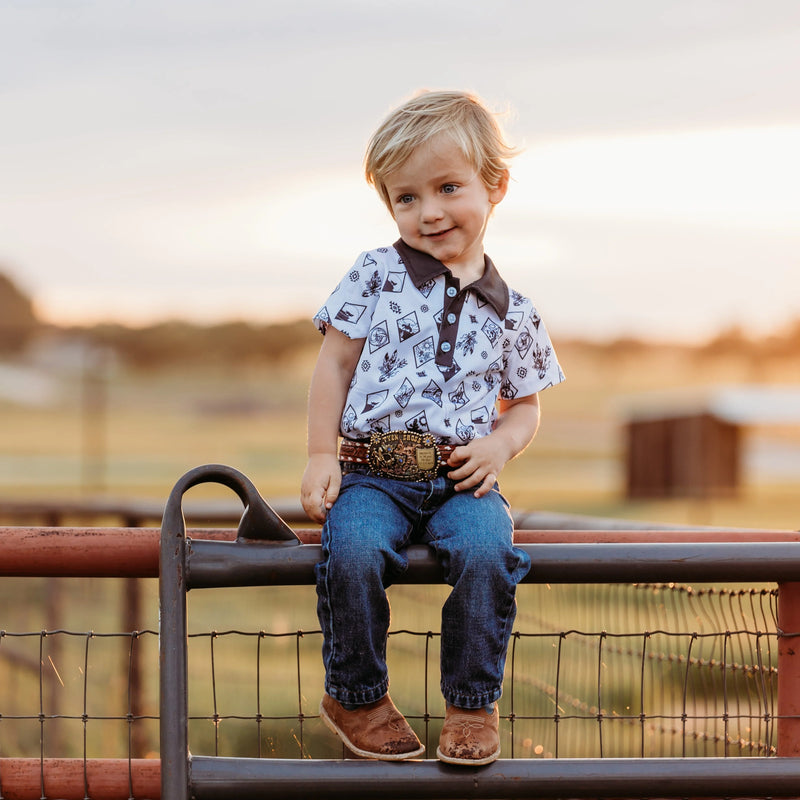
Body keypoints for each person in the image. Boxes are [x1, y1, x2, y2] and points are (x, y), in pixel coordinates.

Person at [300, 90, 565, 765]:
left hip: (460, 482)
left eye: (448, 187)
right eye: (406, 198)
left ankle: (472, 705)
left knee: (488, 553)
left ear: (495, 185)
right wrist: (319, 454)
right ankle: (355, 695)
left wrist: (501, 445)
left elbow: (526, 406)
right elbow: (333, 363)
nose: (430, 211)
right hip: (372, 473)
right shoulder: (375, 274)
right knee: (352, 550)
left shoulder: (516, 312)